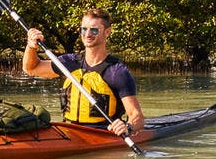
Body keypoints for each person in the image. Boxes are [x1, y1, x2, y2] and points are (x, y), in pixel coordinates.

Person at [22, 8, 145, 138]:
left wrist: (128, 127)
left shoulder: (117, 72)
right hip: (68, 130)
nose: (87, 34)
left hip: (101, 133)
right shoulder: (69, 62)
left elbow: (137, 117)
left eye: (94, 30)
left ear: (107, 32)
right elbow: (31, 68)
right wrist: (31, 47)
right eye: (84, 29)